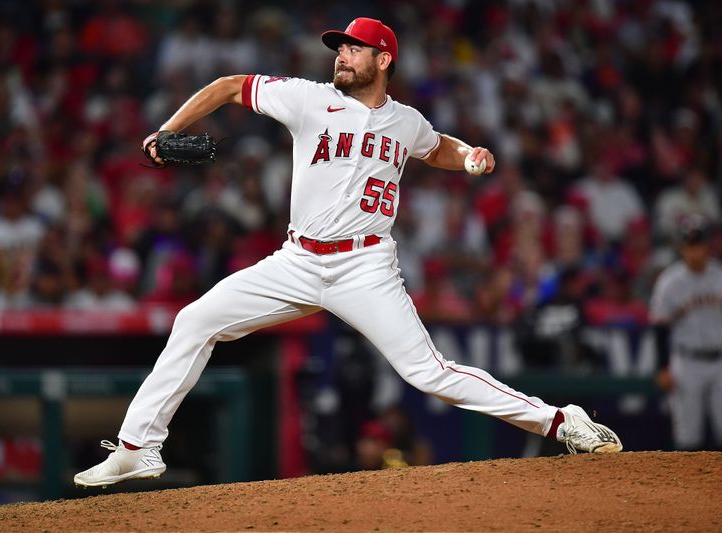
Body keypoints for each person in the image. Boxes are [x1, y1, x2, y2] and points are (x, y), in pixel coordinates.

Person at [74, 18, 622, 488]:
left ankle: (560, 421)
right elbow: (229, 85)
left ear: (383, 59)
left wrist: (471, 156)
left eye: (353, 48)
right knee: (195, 320)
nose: (342, 54)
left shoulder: (405, 120)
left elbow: (437, 147)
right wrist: (165, 131)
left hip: (365, 267)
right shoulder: (310, 99)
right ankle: (136, 447)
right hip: (296, 261)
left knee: (428, 373)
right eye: (340, 47)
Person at [650, 215, 722, 450]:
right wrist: (662, 366)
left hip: (720, 360)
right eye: (689, 245)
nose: (694, 251)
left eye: (698, 244)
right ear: (682, 247)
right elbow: (660, 327)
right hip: (687, 361)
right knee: (688, 437)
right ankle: (687, 488)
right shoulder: (669, 282)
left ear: (708, 245)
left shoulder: (719, 276)